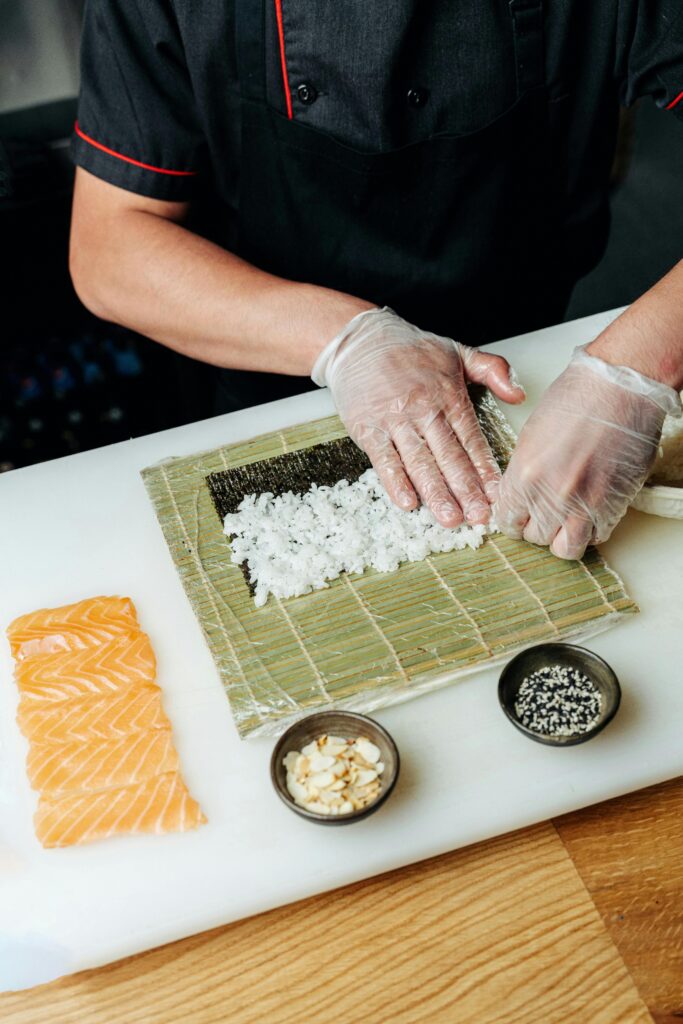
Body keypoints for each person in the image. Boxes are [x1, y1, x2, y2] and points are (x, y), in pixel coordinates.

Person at [69, 1, 683, 560]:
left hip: (540, 381)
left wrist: (632, 373)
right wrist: (347, 341)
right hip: (276, 378)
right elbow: (110, 248)